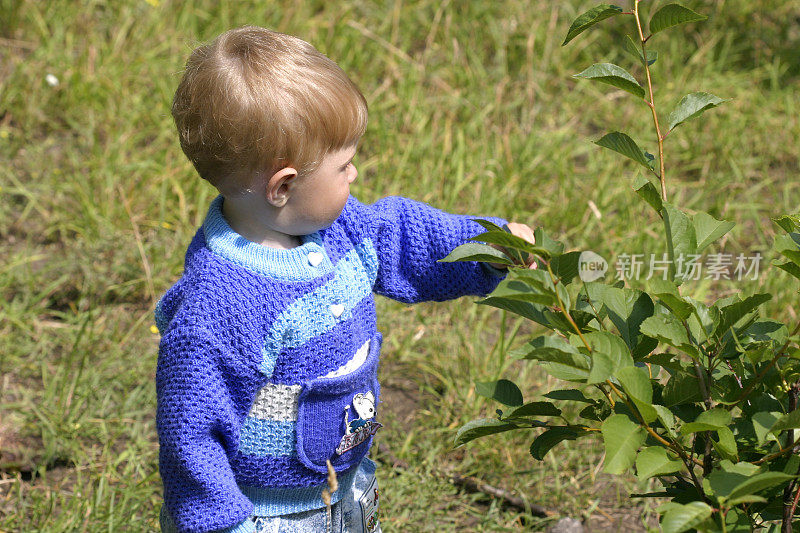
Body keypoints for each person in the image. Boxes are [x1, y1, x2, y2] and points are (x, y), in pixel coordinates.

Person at [155, 25, 535, 533]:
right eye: (344, 165)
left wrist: (486, 245)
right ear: (283, 185)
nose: (354, 176)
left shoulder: (338, 228)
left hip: (349, 485)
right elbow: (191, 433)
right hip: (271, 514)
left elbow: (399, 236)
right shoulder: (221, 305)